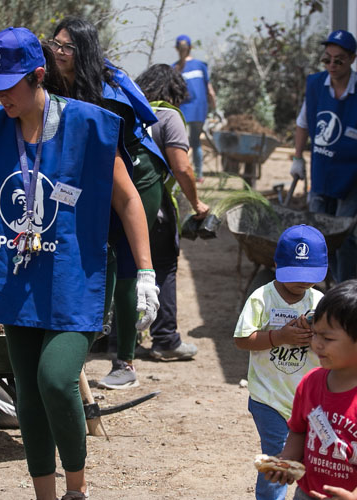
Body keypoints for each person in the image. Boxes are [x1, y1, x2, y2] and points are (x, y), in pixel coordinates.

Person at [0, 27, 158, 500]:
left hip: (74, 277)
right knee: (27, 391)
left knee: (54, 378)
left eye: (10, 84)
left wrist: (146, 272)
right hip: (17, 276)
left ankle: (77, 489)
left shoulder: (86, 127)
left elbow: (129, 199)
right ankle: (45, 495)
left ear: (39, 75)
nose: (1, 95)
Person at [46, 17, 169, 390]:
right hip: (93, 173)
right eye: (56, 44)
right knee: (102, 254)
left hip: (136, 175)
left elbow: (111, 159)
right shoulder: (53, 80)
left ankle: (126, 362)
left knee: (127, 260)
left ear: (82, 52)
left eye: (67, 47)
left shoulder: (107, 93)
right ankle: (85, 337)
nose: (59, 51)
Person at [265, 279, 357, 500]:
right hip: (309, 493)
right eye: (315, 334)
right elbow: (299, 430)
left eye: (328, 338)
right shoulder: (311, 382)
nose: (316, 344)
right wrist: (288, 461)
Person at [234, 224, 327, 500]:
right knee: (280, 456)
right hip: (269, 399)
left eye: (309, 276)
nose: (302, 282)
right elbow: (242, 339)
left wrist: (313, 340)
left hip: (307, 401)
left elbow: (330, 345)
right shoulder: (262, 298)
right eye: (295, 274)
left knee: (311, 456)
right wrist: (280, 336)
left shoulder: (319, 302)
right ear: (276, 265)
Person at [290, 30, 357, 284]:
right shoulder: (316, 85)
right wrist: (297, 158)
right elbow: (302, 123)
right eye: (327, 59)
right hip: (323, 168)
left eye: (339, 60)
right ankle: (322, 282)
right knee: (318, 232)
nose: (331, 65)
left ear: (352, 58)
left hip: (354, 173)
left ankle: (346, 288)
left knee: (344, 234)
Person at [133, 63, 210, 363]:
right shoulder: (168, 116)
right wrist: (196, 203)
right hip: (156, 207)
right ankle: (165, 339)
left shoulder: (129, 112)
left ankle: (116, 337)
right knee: (163, 267)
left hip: (121, 204)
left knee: (128, 268)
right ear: (174, 91)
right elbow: (182, 167)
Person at [173, 34, 216, 181]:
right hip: (199, 109)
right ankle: (199, 175)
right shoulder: (201, 66)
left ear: (176, 49)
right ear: (190, 48)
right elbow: (210, 91)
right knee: (196, 142)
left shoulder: (175, 68)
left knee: (181, 142)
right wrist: (214, 108)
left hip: (182, 110)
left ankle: (182, 172)